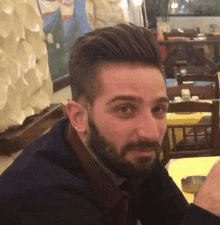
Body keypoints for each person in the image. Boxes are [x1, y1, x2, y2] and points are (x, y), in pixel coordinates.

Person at [0, 23, 219, 224]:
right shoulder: (40, 199)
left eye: (158, 109)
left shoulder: (129, 155)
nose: (150, 132)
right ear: (78, 117)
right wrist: (206, 213)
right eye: (125, 109)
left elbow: (174, 217)